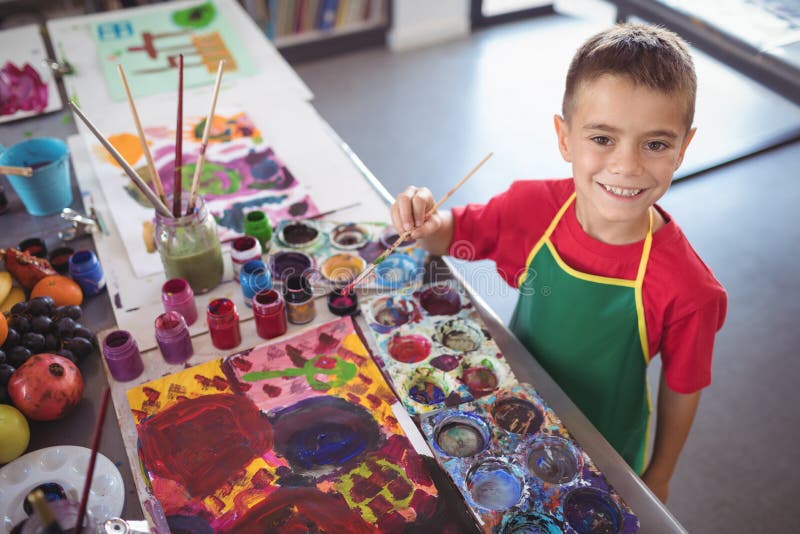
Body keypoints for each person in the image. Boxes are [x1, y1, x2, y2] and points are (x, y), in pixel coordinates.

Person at [390, 23, 727, 503]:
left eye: (655, 144)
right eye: (603, 138)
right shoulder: (530, 208)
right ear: (565, 138)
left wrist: (660, 475)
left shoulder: (691, 289)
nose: (627, 166)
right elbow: (449, 235)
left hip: (603, 445)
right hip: (510, 407)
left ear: (683, 148)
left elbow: (683, 386)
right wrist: (425, 214)